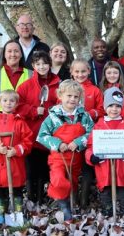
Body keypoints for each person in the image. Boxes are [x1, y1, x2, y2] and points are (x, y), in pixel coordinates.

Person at [36, 80, 94, 223]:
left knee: (72, 182)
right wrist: (57, 143)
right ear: (60, 96)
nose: (72, 99)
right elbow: (41, 136)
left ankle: (69, 203)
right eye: (69, 96)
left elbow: (92, 133)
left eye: (75, 97)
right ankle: (65, 209)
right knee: (59, 180)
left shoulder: (84, 116)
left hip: (76, 158)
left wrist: (79, 142)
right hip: (58, 158)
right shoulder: (53, 117)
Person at [85, 87, 124, 217]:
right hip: (104, 171)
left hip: (123, 170)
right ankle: (109, 218)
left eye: (117, 106)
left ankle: (123, 219)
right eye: (110, 105)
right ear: (105, 107)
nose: (114, 109)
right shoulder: (99, 126)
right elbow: (90, 146)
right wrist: (91, 157)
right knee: (106, 199)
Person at [0, 90, 33, 225]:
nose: (8, 103)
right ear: (0, 103)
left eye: (12, 101)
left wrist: (16, 150)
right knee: (1, 190)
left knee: (17, 190)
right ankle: (2, 212)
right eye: (5, 100)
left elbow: (28, 141)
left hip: (15, 163)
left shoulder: (20, 122)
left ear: (16, 104)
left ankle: (18, 212)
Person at [16, 51, 60, 204]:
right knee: (30, 167)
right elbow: (18, 106)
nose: (42, 67)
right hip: (30, 132)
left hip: (49, 133)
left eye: (45, 63)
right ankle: (31, 197)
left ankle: (42, 197)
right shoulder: (25, 86)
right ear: (33, 66)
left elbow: (62, 105)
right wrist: (34, 111)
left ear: (50, 64)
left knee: (44, 166)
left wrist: (51, 112)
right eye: (38, 64)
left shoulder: (58, 84)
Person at [70, 58, 104, 209]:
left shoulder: (95, 90)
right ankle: (73, 196)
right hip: (71, 135)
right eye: (76, 71)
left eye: (83, 71)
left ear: (89, 71)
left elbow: (102, 110)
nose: (80, 74)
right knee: (72, 167)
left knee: (87, 167)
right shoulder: (67, 89)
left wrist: (89, 114)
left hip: (89, 135)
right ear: (71, 72)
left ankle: (84, 199)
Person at [0, 39, 33, 127]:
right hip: (0, 124)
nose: (13, 54)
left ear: (21, 54)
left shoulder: (32, 74)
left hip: (25, 124)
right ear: (4, 55)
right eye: (9, 51)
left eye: (16, 51)